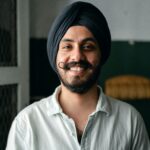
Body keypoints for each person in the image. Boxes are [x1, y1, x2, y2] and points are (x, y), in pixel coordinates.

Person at [6, 1, 150, 150]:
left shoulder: (130, 121)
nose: (77, 56)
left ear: (101, 54)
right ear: (54, 54)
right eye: (67, 46)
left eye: (88, 47)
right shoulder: (27, 123)